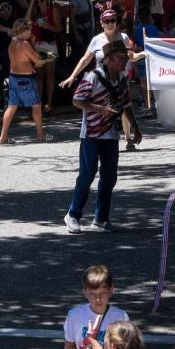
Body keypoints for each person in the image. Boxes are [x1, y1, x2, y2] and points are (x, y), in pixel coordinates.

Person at [65, 38, 138, 235]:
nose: (126, 60)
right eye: (123, 57)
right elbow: (77, 100)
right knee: (87, 175)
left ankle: (101, 218)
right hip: (91, 133)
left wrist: (135, 127)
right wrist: (101, 110)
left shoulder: (121, 79)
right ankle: (73, 214)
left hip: (111, 134)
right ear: (111, 59)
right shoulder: (92, 78)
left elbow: (125, 104)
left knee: (109, 177)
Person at [0, 21, 46, 144]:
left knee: (12, 106)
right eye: (29, 31)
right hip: (26, 78)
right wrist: (34, 45)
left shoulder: (12, 42)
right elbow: (37, 60)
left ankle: (3, 136)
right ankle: (40, 134)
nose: (31, 33)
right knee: (36, 106)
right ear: (24, 31)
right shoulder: (25, 44)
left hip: (14, 77)